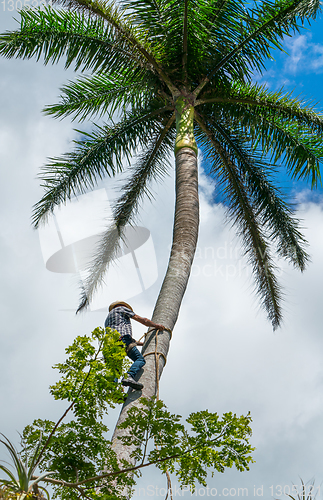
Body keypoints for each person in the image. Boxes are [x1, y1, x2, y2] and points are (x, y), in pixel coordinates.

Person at [105, 301, 165, 391]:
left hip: (110, 346)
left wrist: (144, 343)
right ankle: (129, 376)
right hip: (123, 340)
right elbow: (142, 320)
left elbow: (130, 341)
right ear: (124, 306)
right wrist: (155, 325)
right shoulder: (121, 308)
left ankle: (114, 391)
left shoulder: (108, 319)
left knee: (115, 370)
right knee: (140, 359)